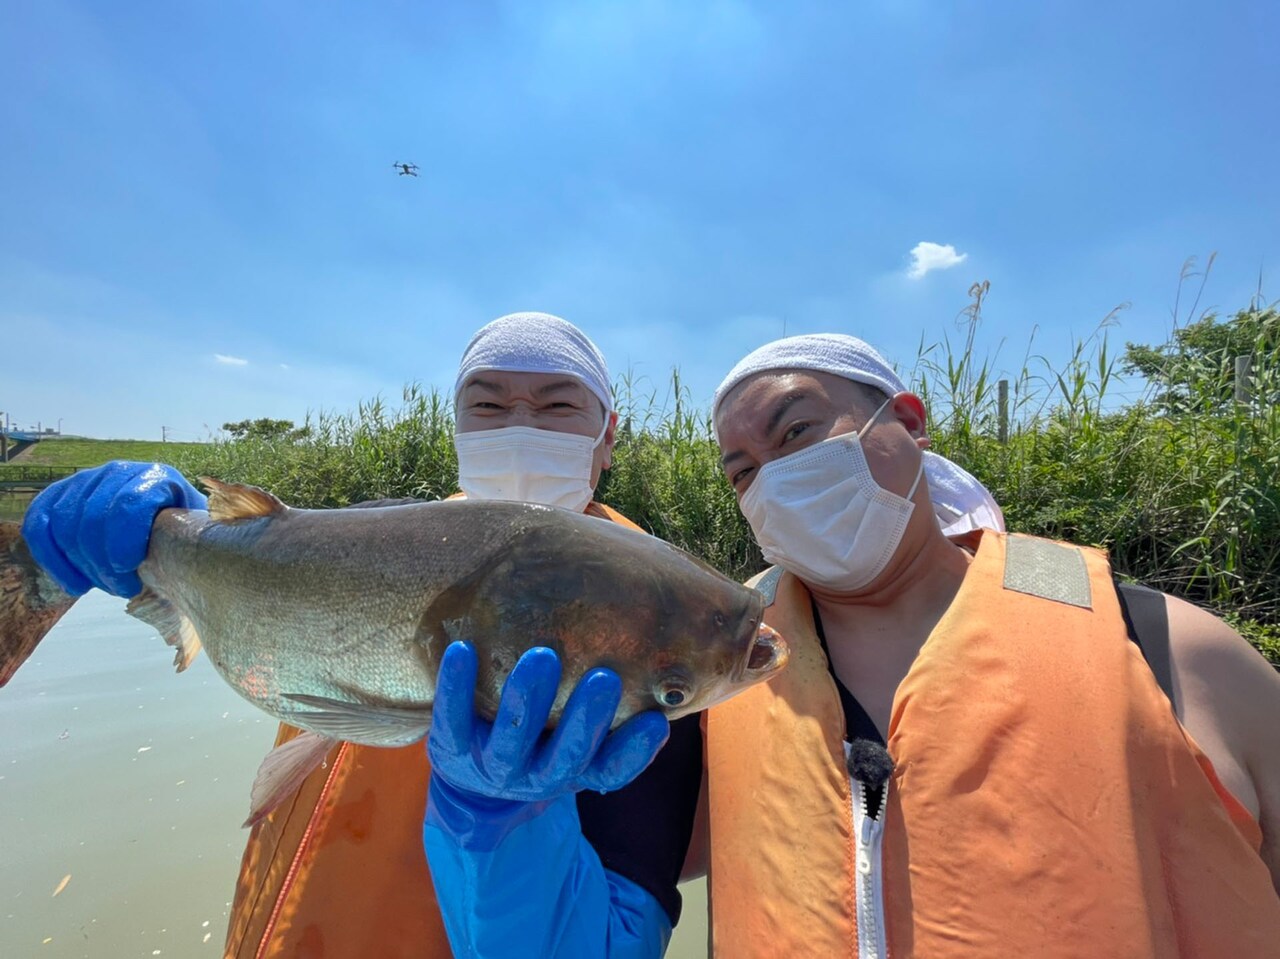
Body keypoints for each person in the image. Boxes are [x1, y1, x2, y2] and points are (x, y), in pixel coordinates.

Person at [418, 333, 1280, 958]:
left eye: (795, 433)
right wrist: (500, 819)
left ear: (908, 419)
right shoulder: (700, 685)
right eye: (742, 470)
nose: (773, 475)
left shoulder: (1174, 649)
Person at [19, 313, 688, 957]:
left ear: (607, 434)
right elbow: (282, 554)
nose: (519, 426)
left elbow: (616, 938)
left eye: (557, 405)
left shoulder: (663, 622)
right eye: (487, 405)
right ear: (456, 428)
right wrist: (179, 532)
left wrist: (500, 823)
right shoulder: (381, 530)